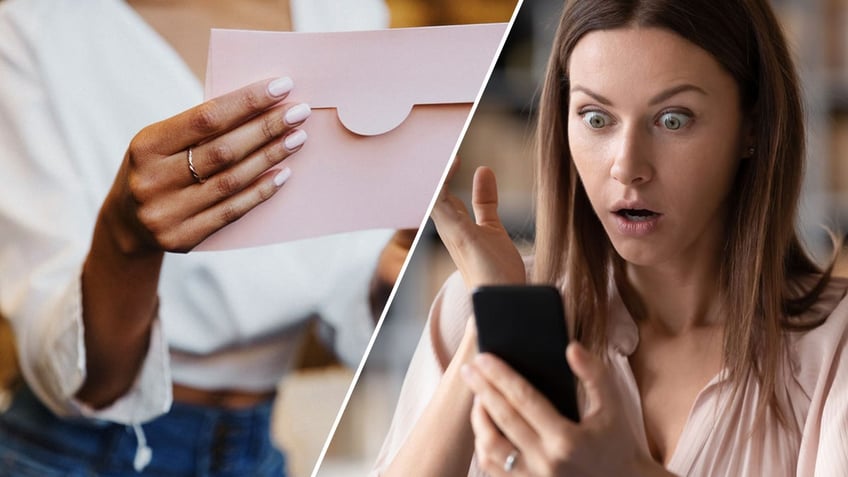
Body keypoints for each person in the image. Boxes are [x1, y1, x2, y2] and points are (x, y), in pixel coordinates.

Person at [372, 0, 848, 476]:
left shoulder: (835, 343)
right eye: (597, 119)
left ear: (753, 127)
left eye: (673, 119)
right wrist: (496, 322)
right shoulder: (479, 303)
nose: (627, 167)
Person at [0, 0, 413, 475]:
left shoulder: (346, 13)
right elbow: (80, 379)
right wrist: (124, 237)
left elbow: (349, 274)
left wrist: (390, 278)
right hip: (71, 455)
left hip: (256, 451)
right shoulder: (33, 26)